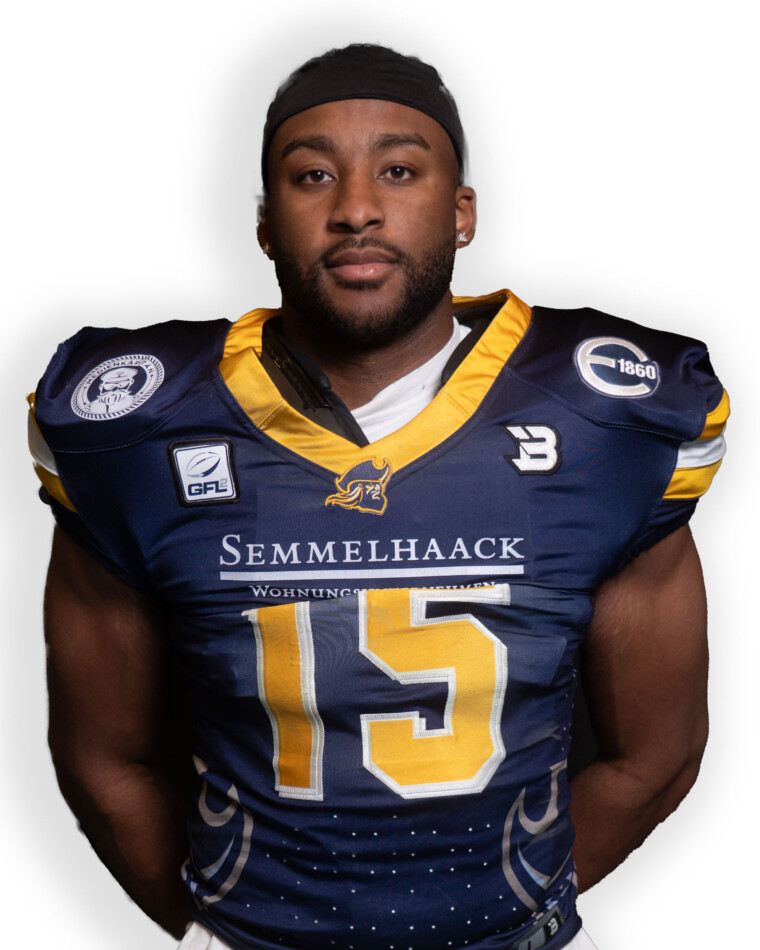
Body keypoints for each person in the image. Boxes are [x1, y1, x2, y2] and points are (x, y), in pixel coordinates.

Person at [28, 43, 728, 950]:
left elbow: (656, 755)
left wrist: (506, 918)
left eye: (399, 170)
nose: (356, 208)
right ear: (266, 223)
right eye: (312, 175)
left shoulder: (603, 416)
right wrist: (220, 930)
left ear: (461, 211)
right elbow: (103, 759)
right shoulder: (142, 422)